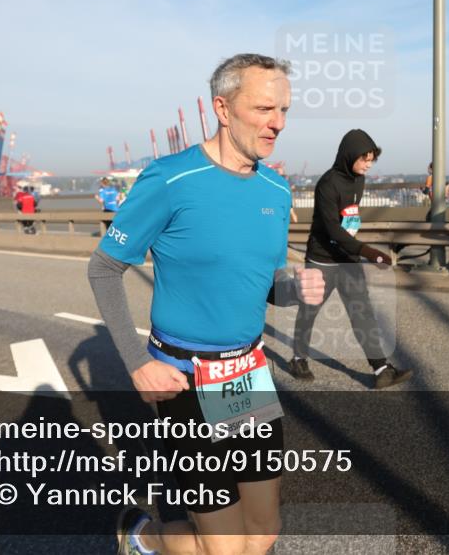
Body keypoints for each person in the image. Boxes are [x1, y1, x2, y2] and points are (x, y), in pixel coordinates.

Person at [88, 54, 324, 555]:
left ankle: (143, 537)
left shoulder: (276, 189)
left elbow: (261, 285)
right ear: (222, 107)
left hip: (246, 377)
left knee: (262, 533)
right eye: (263, 108)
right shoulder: (170, 179)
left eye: (283, 109)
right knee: (223, 547)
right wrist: (137, 365)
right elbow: (104, 268)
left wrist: (293, 289)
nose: (277, 123)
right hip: (185, 381)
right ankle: (144, 536)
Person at [289, 129, 413, 389]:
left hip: (347, 258)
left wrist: (357, 252)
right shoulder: (327, 184)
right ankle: (298, 358)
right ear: (349, 156)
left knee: (362, 313)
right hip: (322, 259)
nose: (368, 165)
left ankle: (380, 369)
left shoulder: (359, 179)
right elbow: (333, 229)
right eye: (364, 159)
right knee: (309, 311)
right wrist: (370, 252)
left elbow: (349, 222)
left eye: (371, 160)